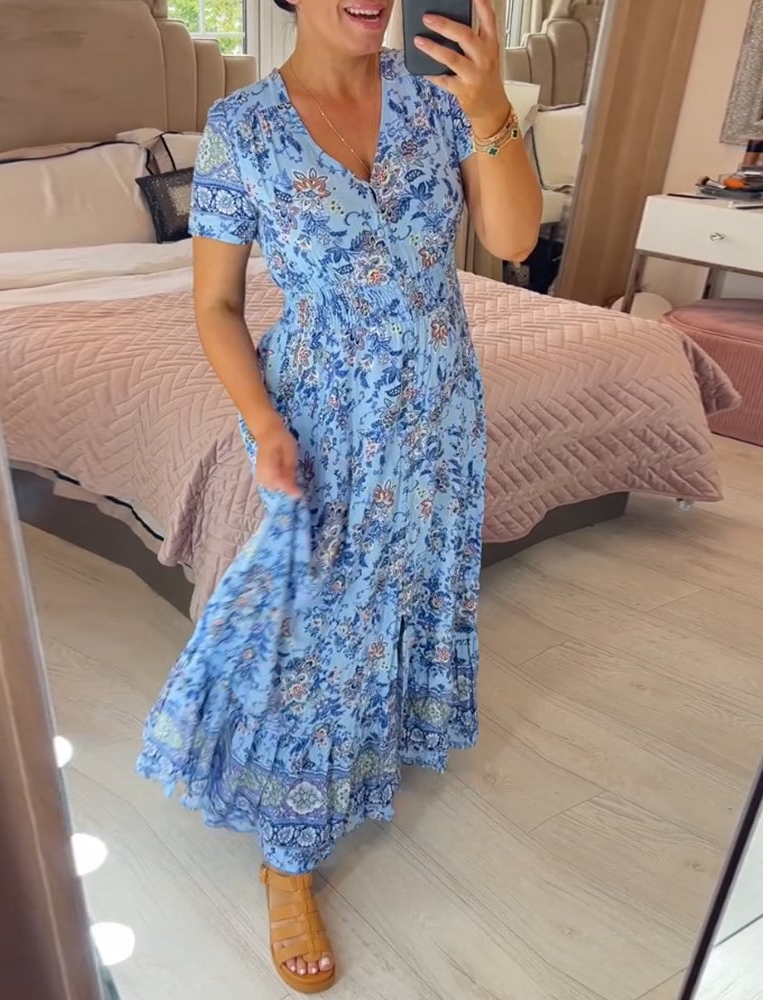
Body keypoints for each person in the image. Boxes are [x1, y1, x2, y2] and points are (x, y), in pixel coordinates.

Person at [137, 0, 541, 991]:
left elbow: (514, 238)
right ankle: (287, 861)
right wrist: (264, 423)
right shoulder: (242, 128)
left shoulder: (442, 102)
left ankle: (369, 756)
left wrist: (491, 105)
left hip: (440, 412)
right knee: (314, 634)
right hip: (320, 420)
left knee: (400, 601)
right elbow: (215, 304)